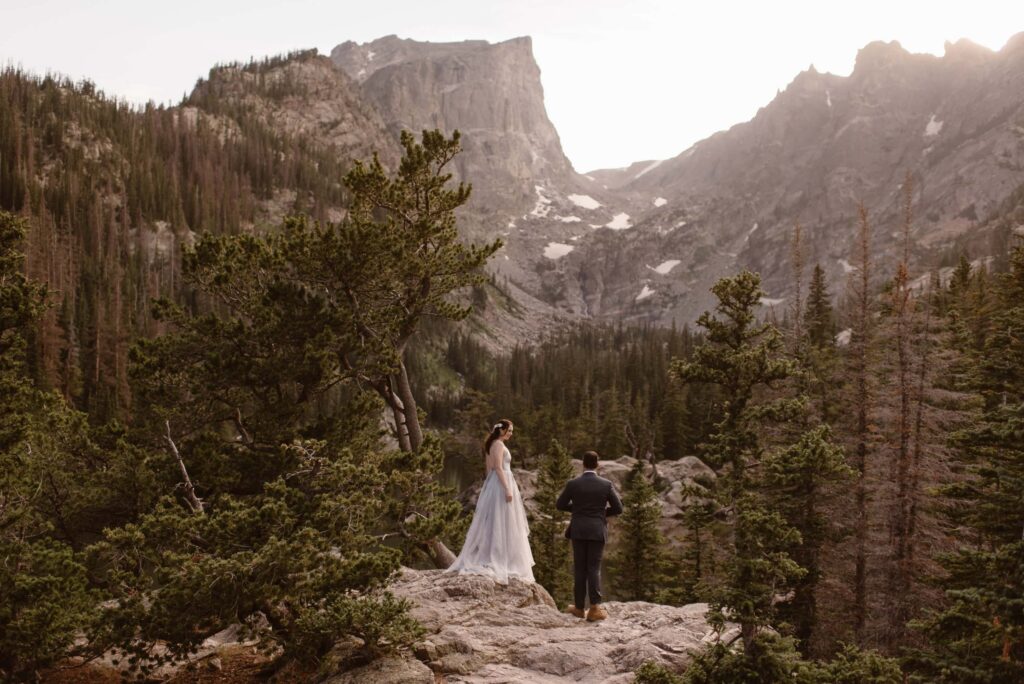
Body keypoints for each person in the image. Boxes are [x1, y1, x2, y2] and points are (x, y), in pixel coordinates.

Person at [446, 419, 535, 583]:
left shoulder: (490, 444)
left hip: (494, 482)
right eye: (509, 431)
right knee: (504, 520)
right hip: (502, 481)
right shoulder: (499, 445)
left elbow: (489, 470)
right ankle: (502, 558)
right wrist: (507, 488)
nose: (511, 434)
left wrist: (490, 487)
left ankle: (497, 554)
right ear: (502, 430)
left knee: (495, 520)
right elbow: (499, 468)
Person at [556, 450, 623, 621]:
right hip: (596, 530)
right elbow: (618, 508)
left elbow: (560, 504)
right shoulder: (606, 484)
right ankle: (594, 608)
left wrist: (578, 509)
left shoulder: (573, 483)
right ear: (598, 464)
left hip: (578, 530)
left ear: (583, 464)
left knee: (579, 568)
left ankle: (578, 608)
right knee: (594, 568)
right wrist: (601, 512)